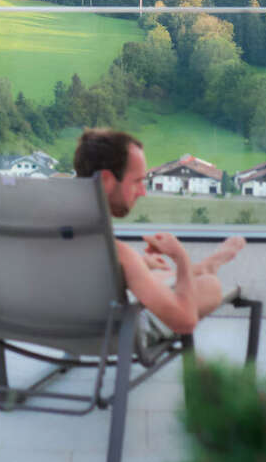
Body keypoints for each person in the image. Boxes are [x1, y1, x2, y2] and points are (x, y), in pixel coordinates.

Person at [72, 129, 247, 338]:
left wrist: (140, 263)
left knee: (154, 271)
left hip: (47, 326)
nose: (143, 191)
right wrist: (180, 256)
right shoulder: (119, 254)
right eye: (137, 181)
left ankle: (202, 267)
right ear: (106, 181)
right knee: (210, 285)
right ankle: (204, 268)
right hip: (119, 331)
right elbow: (186, 321)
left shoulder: (48, 230)